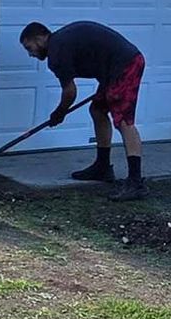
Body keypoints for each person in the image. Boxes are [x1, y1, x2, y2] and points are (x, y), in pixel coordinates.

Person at [19, 19, 147, 199]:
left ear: (40, 38)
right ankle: (102, 167)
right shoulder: (60, 43)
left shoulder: (57, 52)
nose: (30, 54)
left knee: (124, 120)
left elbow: (70, 92)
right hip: (114, 68)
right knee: (98, 110)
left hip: (126, 64)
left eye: (29, 48)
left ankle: (136, 182)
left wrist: (59, 113)